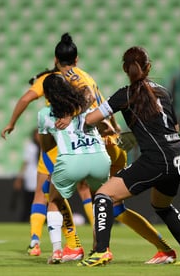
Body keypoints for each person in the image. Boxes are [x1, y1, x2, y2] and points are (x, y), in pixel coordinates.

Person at [3, 33, 176, 264]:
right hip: (108, 144)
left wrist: (13, 123)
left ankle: (69, 245)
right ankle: (160, 248)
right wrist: (114, 132)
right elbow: (102, 105)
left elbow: (26, 100)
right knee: (112, 206)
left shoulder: (52, 79)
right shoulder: (87, 76)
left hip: (84, 145)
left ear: (56, 59)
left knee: (51, 192)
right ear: (77, 59)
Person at [79, 46, 180, 267]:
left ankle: (101, 251)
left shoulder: (125, 95)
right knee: (161, 206)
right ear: (148, 67)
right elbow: (174, 127)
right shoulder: (163, 92)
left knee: (103, 196)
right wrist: (137, 135)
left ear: (124, 69)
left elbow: (90, 120)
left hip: (157, 159)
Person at [38, 73, 111, 264]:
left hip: (72, 161)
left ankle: (57, 251)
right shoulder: (85, 106)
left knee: (53, 198)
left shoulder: (45, 114)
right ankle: (101, 248)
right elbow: (102, 120)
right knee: (100, 200)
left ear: (47, 95)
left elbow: (46, 147)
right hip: (100, 160)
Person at [12, 129, 41, 222]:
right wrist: (19, 177)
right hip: (32, 177)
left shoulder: (46, 146)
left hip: (43, 176)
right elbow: (25, 163)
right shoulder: (31, 147)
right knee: (29, 201)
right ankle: (26, 220)